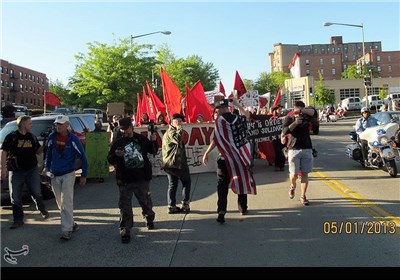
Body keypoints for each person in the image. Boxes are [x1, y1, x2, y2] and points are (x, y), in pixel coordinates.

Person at [203, 98, 256, 224]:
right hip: (239, 158)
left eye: (217, 109)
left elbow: (216, 140)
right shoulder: (238, 119)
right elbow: (247, 116)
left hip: (224, 158)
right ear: (228, 107)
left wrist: (206, 152)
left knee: (222, 185)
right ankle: (243, 208)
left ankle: (221, 210)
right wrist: (237, 103)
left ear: (220, 109)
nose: (217, 111)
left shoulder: (219, 121)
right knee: (241, 180)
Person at [107, 117, 158, 244]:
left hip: (141, 177)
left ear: (131, 127)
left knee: (145, 201)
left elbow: (153, 151)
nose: (124, 131)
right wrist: (116, 156)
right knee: (125, 206)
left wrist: (154, 141)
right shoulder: (118, 142)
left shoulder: (140, 139)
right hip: (125, 178)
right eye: (122, 129)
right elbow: (110, 159)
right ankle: (125, 229)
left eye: (126, 128)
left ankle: (149, 218)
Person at [43, 115, 88, 240]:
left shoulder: (73, 139)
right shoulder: (52, 137)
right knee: (60, 203)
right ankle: (71, 224)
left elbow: (83, 157)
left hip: (68, 174)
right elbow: (49, 153)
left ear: (67, 125)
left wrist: (84, 174)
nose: (58, 126)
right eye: (57, 124)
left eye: (61, 124)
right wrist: (46, 167)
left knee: (66, 202)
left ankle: (66, 230)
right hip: (54, 174)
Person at [0, 116, 49, 229]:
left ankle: (42, 209)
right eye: (29, 123)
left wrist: (45, 144)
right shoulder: (12, 136)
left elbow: (37, 151)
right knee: (15, 197)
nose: (31, 125)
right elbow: (4, 152)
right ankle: (18, 220)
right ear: (23, 124)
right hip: (16, 171)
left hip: (31, 169)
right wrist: (3, 168)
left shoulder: (31, 136)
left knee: (36, 192)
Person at [281, 101, 317, 206]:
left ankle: (303, 196)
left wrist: (302, 111)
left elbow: (314, 112)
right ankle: (292, 186)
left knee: (305, 173)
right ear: (294, 108)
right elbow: (285, 131)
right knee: (294, 175)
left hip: (307, 148)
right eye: (298, 108)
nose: (300, 111)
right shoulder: (289, 118)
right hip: (293, 148)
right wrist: (296, 122)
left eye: (302, 109)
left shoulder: (307, 117)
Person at [162, 113, 191, 214]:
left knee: (173, 184)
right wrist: (179, 129)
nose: (179, 123)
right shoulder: (171, 132)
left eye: (180, 121)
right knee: (186, 182)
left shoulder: (171, 131)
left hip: (172, 163)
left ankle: (172, 205)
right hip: (175, 163)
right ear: (171, 122)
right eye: (176, 121)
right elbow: (178, 139)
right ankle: (184, 204)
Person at [270, 105, 285, 171]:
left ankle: (282, 166)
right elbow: (269, 129)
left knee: (283, 151)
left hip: (283, 137)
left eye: (280, 109)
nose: (280, 110)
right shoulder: (272, 119)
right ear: (275, 110)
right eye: (278, 109)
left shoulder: (283, 117)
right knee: (277, 151)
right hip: (275, 138)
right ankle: (277, 165)